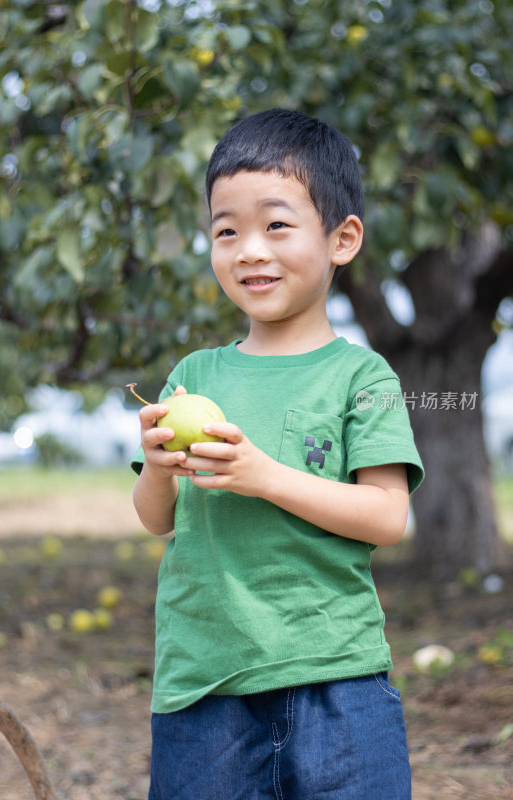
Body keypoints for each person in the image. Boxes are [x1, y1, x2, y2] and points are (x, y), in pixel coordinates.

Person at [131, 108, 424, 800]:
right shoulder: (192, 378)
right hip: (205, 680)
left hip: (336, 677)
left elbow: (386, 517)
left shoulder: (363, 378)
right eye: (225, 231)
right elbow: (154, 518)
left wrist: (265, 477)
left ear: (342, 239)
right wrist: (158, 470)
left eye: (277, 226)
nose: (249, 251)